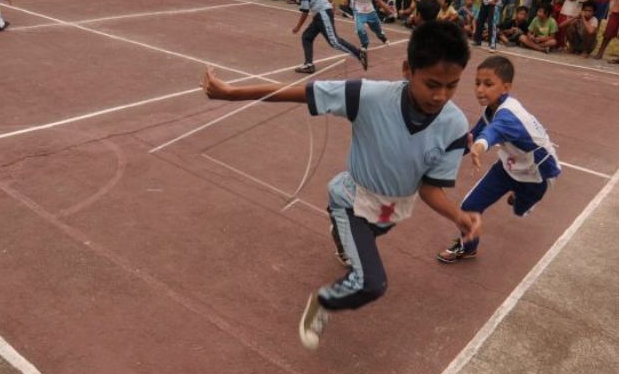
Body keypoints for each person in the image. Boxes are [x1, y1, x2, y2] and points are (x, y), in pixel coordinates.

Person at [201, 20, 480, 349]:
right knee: (371, 282)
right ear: (408, 70)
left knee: (366, 239)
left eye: (452, 86)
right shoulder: (369, 96)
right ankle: (324, 301)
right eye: (432, 83)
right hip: (352, 199)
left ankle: (341, 235)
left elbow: (429, 188)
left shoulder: (455, 124)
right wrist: (232, 93)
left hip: (392, 209)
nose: (441, 95)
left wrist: (457, 215)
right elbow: (302, 93)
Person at [437, 56, 558, 263]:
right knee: (469, 206)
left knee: (519, 210)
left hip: (537, 174)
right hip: (508, 165)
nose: (480, 90)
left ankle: (520, 196)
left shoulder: (509, 116)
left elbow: (489, 135)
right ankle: (468, 248)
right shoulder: (490, 110)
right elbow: (475, 135)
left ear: (506, 87)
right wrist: (442, 156)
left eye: (488, 84)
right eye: (477, 83)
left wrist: (478, 147)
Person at [292, 0, 366, 74]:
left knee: (334, 41)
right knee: (307, 36)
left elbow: (305, 12)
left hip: (322, 14)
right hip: (319, 15)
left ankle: (358, 53)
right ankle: (309, 64)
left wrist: (297, 27)